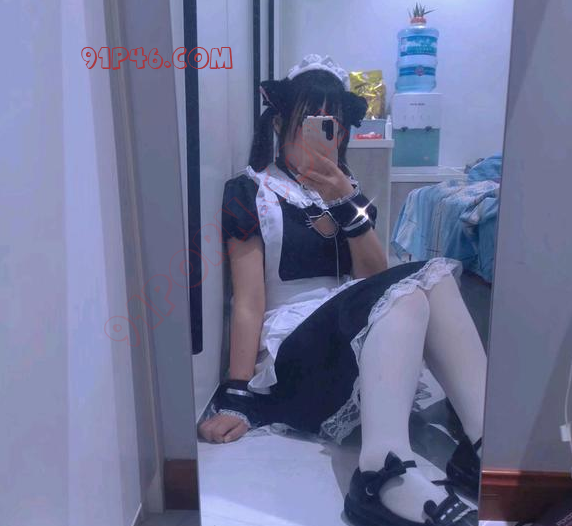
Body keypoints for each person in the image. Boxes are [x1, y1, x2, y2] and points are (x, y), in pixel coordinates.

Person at [198, 54, 486, 526]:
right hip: (293, 350)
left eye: (332, 124)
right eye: (310, 121)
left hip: (341, 331)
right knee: (413, 286)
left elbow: (374, 277)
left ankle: (482, 444)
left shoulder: (347, 193)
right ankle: (383, 472)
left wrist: (346, 201)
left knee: (428, 281)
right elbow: (248, 300)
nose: (323, 132)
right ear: (280, 123)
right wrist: (236, 393)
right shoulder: (251, 191)